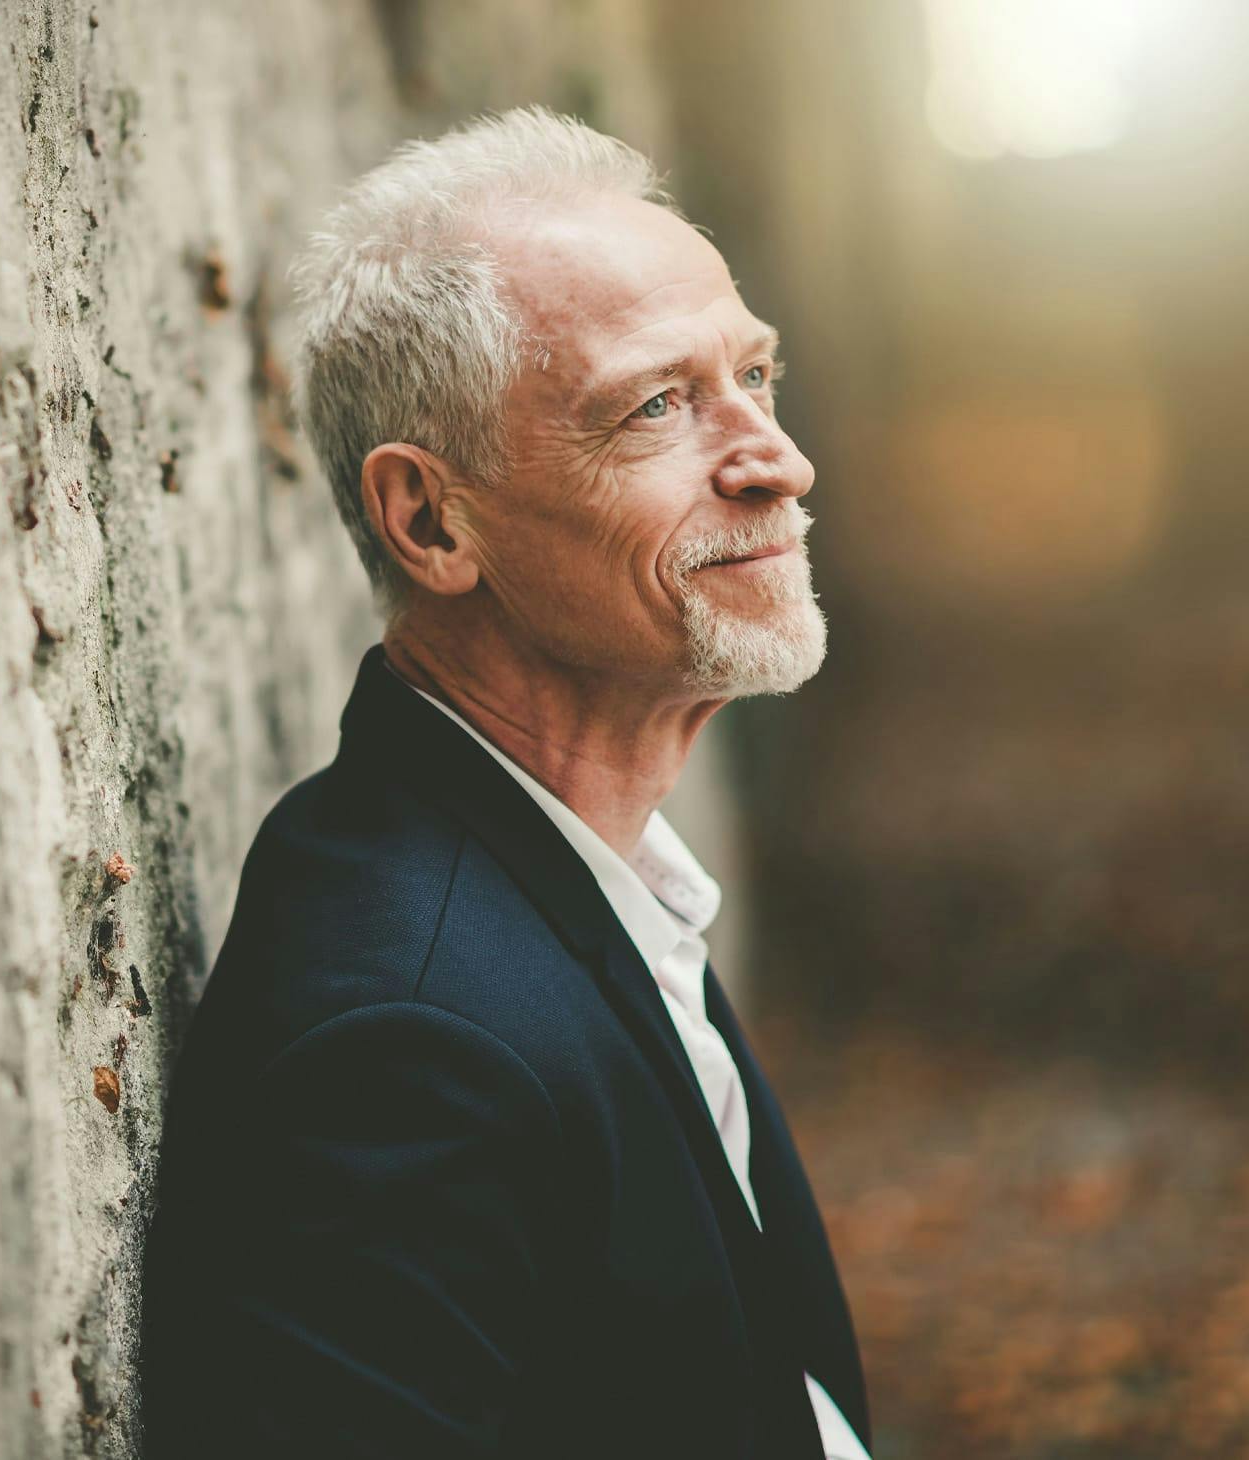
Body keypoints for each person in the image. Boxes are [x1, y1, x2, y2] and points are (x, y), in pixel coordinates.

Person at [143, 106, 869, 1459]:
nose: (778, 459)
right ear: (432, 520)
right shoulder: (406, 1043)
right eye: (657, 405)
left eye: (755, 375)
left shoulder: (582, 868)